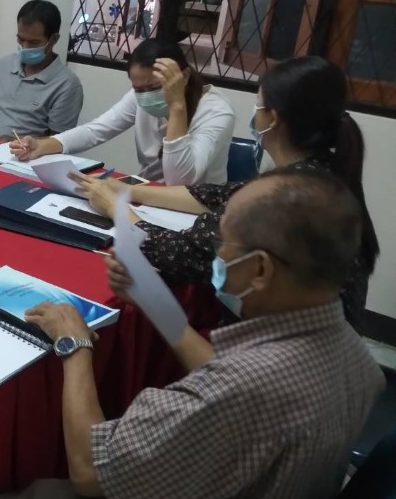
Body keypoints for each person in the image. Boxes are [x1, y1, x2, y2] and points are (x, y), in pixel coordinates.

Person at [0, 169, 384, 499]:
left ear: (260, 269)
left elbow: (89, 472)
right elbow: (227, 372)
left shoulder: (240, 388)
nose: (217, 257)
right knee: (41, 497)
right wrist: (151, 298)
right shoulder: (354, 355)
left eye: (223, 243)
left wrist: (74, 345)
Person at [73, 56, 379, 329]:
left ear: (273, 118)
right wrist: (130, 190)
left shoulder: (288, 195)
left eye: (258, 105)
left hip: (285, 347)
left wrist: (117, 209)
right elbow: (217, 195)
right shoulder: (319, 172)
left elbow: (180, 254)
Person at [11, 37, 234, 185]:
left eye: (154, 87)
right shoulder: (141, 96)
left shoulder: (216, 112)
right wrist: (43, 145)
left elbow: (179, 181)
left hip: (194, 207)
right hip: (146, 193)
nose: (145, 95)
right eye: (138, 89)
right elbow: (96, 130)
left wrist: (177, 107)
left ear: (183, 77)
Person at [0, 0, 83, 140]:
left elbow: (58, 140)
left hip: (22, 151)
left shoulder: (67, 85)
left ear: (53, 39)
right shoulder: (4, 65)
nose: (25, 47)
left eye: (33, 42)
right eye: (21, 40)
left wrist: (15, 143)